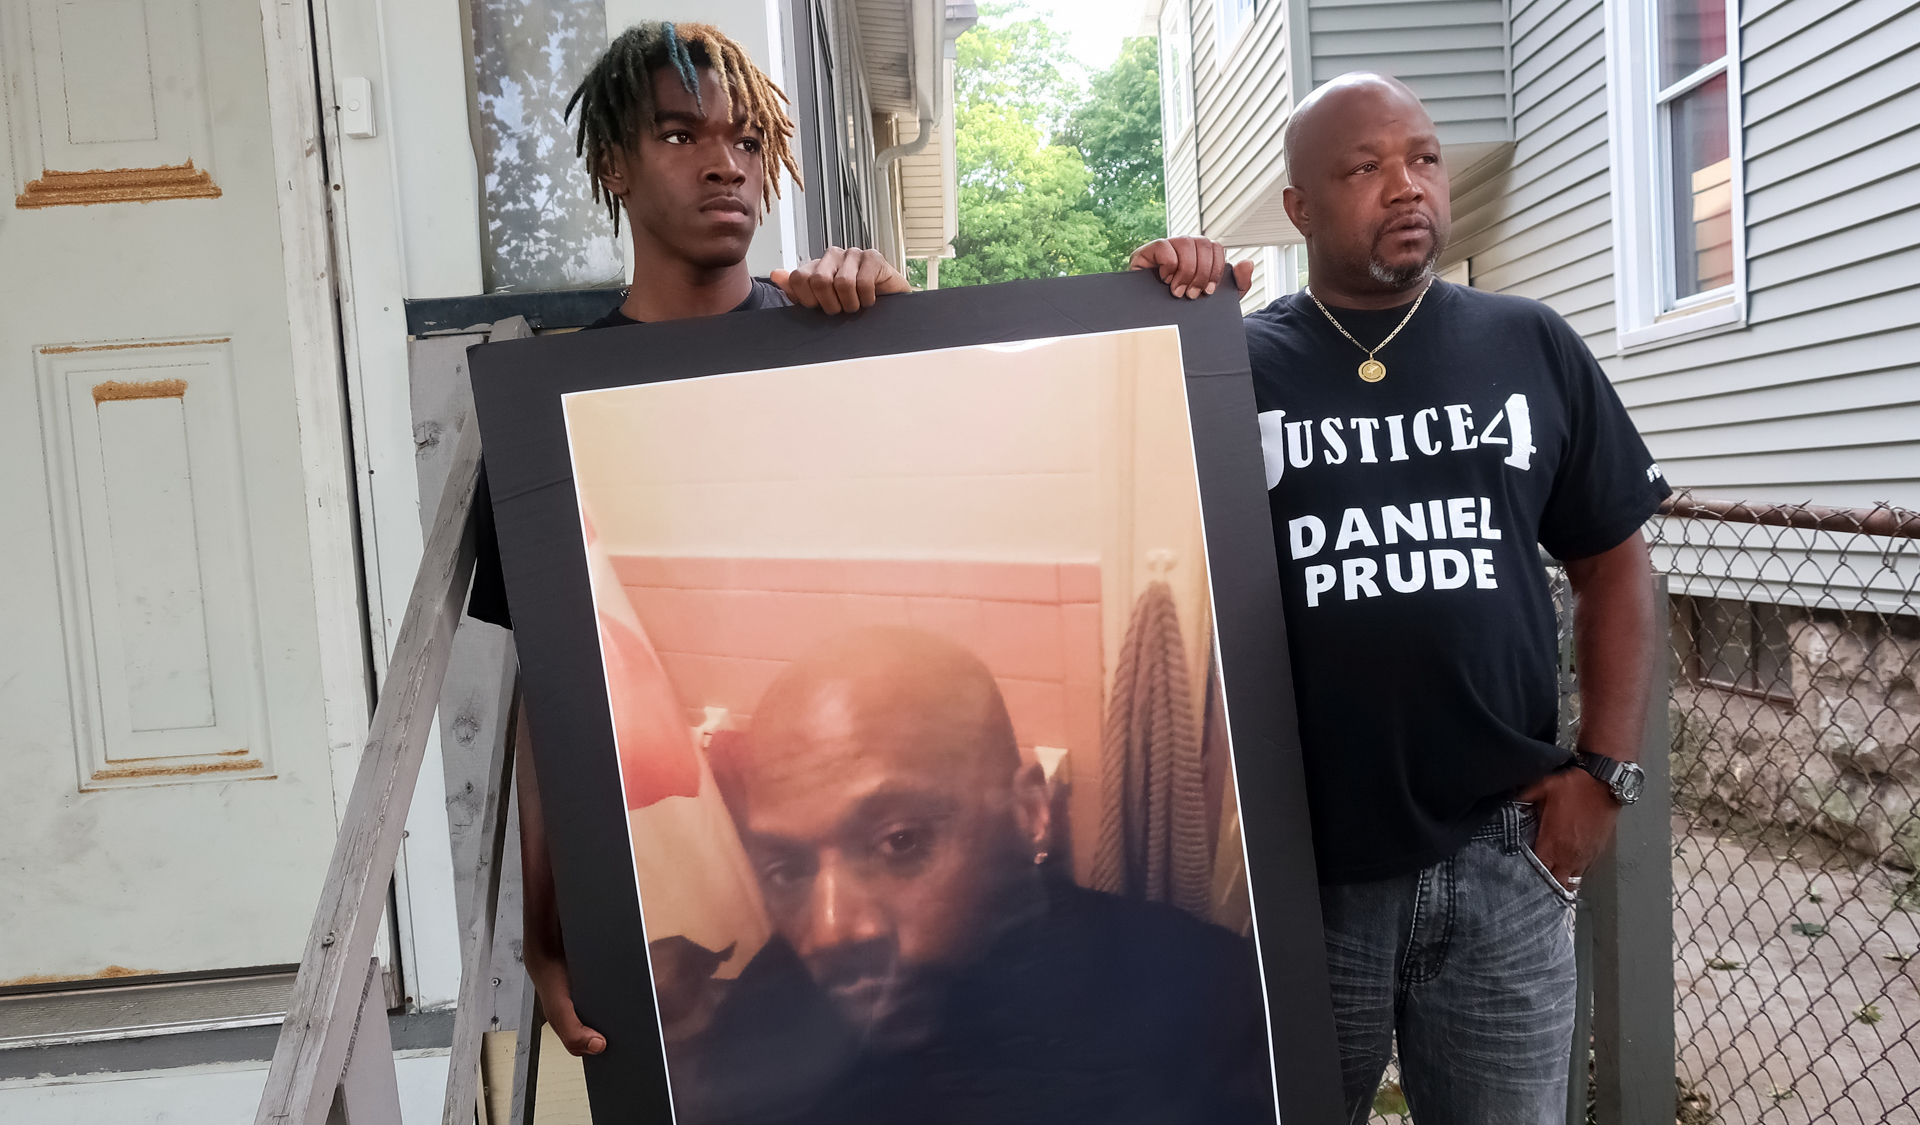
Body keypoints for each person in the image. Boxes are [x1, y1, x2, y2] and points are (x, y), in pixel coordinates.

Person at [470, 19, 1242, 1061]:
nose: (723, 163)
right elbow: (547, 708)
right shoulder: (545, 426)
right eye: (678, 136)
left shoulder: (834, 335)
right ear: (612, 162)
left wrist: (1172, 288)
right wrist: (544, 935)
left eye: (746, 141)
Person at [1248, 72, 1668, 1124]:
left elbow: (1613, 565)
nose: (1405, 187)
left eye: (1422, 159)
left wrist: (1604, 776)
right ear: (1298, 207)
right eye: (1362, 168)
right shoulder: (1234, 367)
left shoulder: (1525, 343)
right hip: (1303, 873)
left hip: (1500, 861)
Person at [674, 628, 1273, 1125]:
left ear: (1030, 812)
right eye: (789, 868)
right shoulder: (758, 1022)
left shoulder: (1206, 1003)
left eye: (899, 841)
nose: (828, 933)